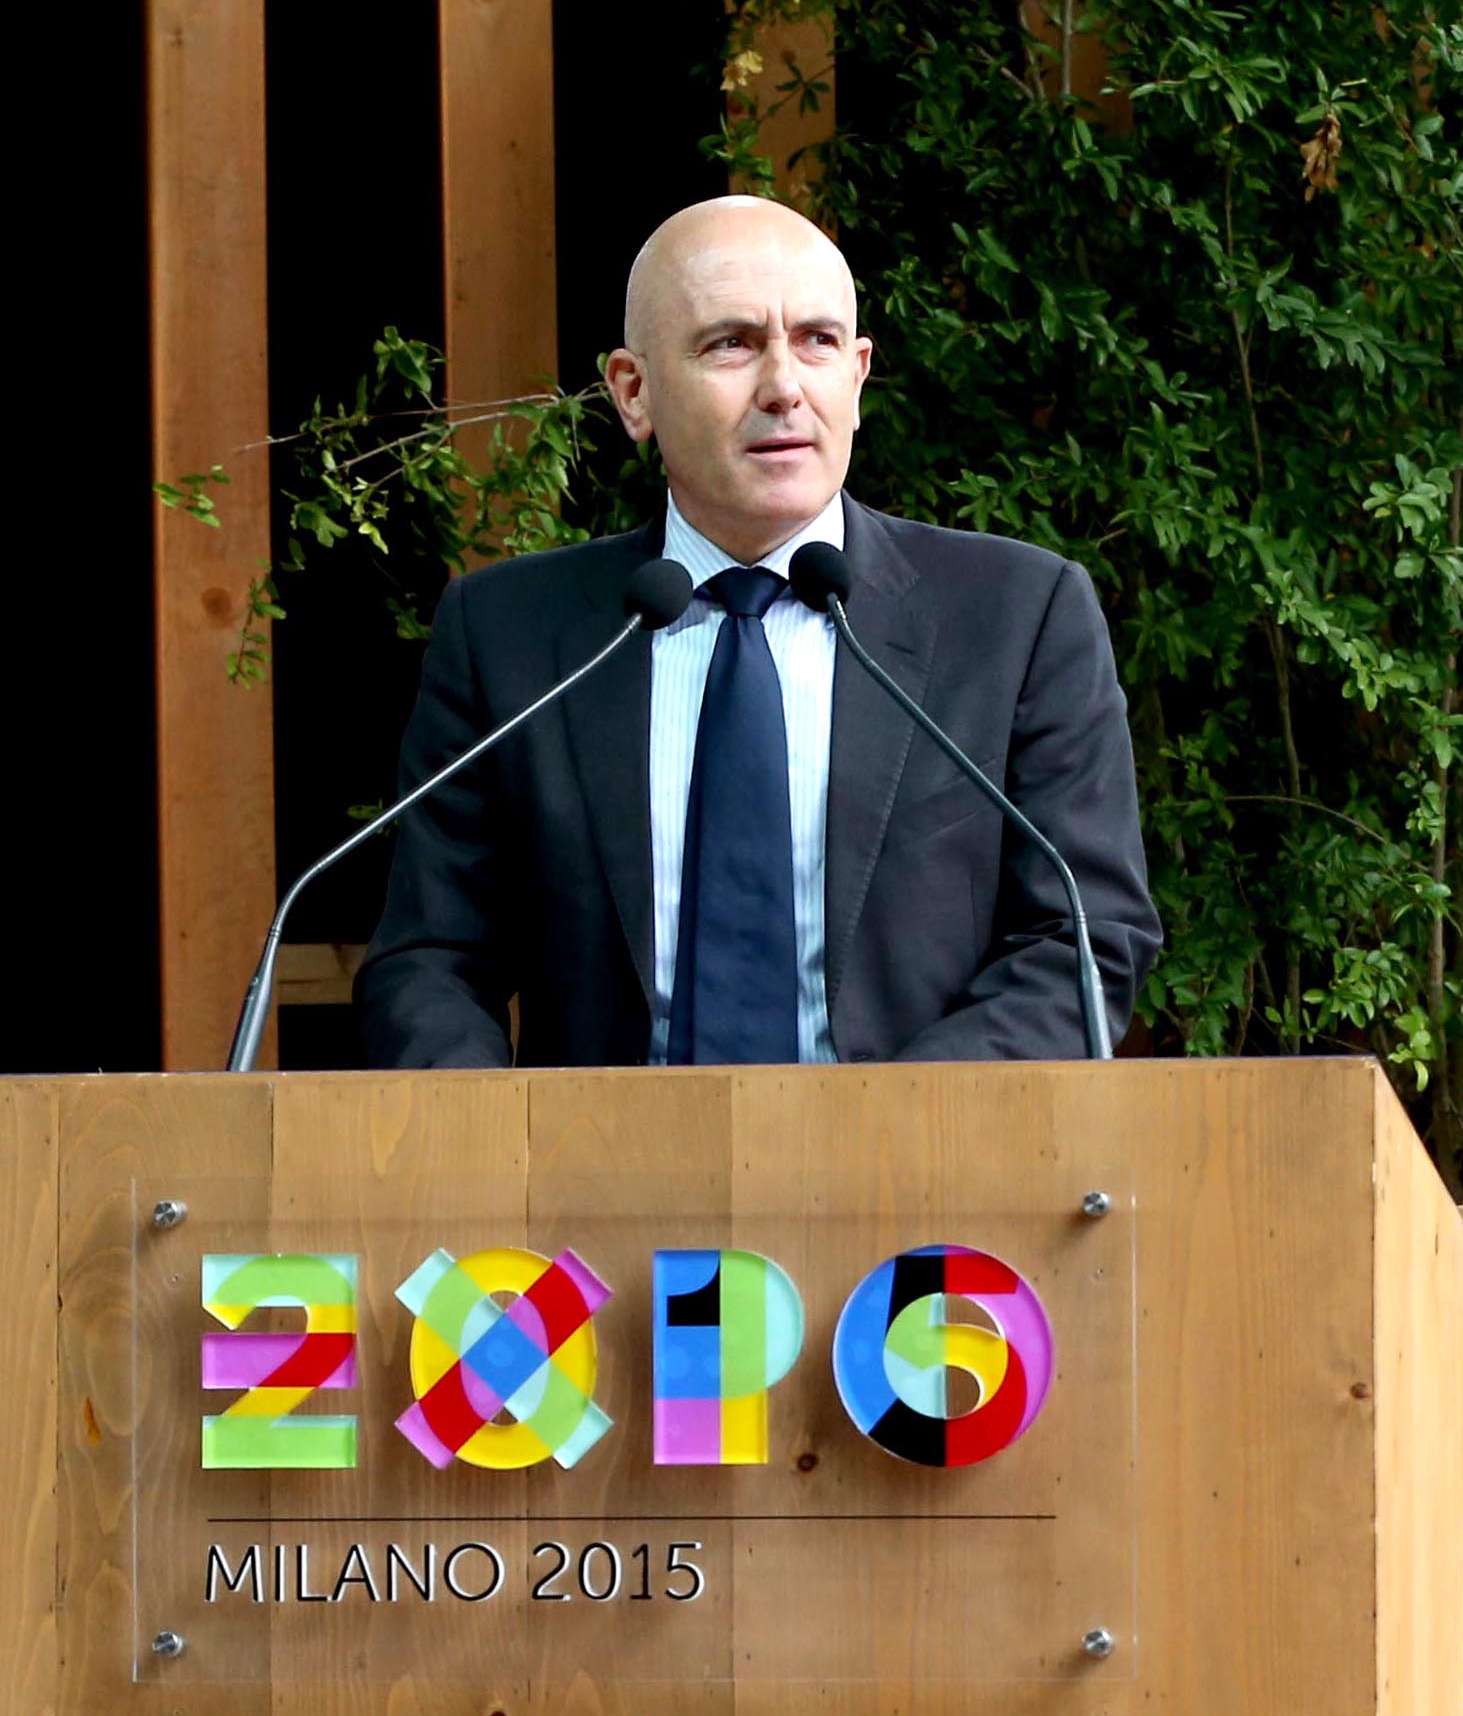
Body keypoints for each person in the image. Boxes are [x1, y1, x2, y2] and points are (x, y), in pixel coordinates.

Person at [354, 196, 1161, 1069]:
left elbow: (1083, 935)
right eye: (731, 343)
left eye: (817, 341)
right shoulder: (508, 633)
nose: (784, 387)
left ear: (856, 376)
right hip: (598, 1154)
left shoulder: (1016, 615)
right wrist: (500, 1139)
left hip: (920, 1148)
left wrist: (896, 1126)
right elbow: (430, 959)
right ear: (633, 391)